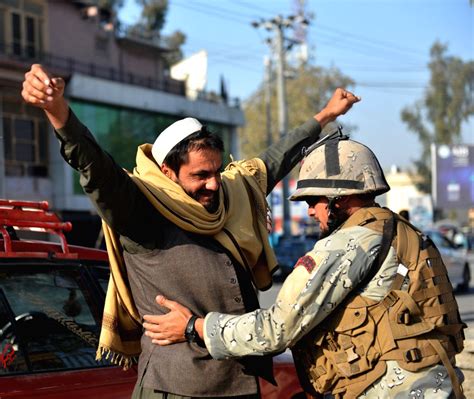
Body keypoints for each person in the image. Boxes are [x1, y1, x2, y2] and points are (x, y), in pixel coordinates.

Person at [21, 63, 360, 399]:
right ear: (168, 171)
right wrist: (57, 111)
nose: (214, 183)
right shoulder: (141, 212)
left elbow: (274, 159)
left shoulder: (233, 193)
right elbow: (96, 169)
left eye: (215, 170)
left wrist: (325, 115)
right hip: (177, 388)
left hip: (242, 382)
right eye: (200, 175)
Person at [143, 133, 466, 398]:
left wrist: (194, 327)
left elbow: (276, 329)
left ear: (338, 198)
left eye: (314, 201)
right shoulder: (407, 233)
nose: (311, 212)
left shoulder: (349, 244)